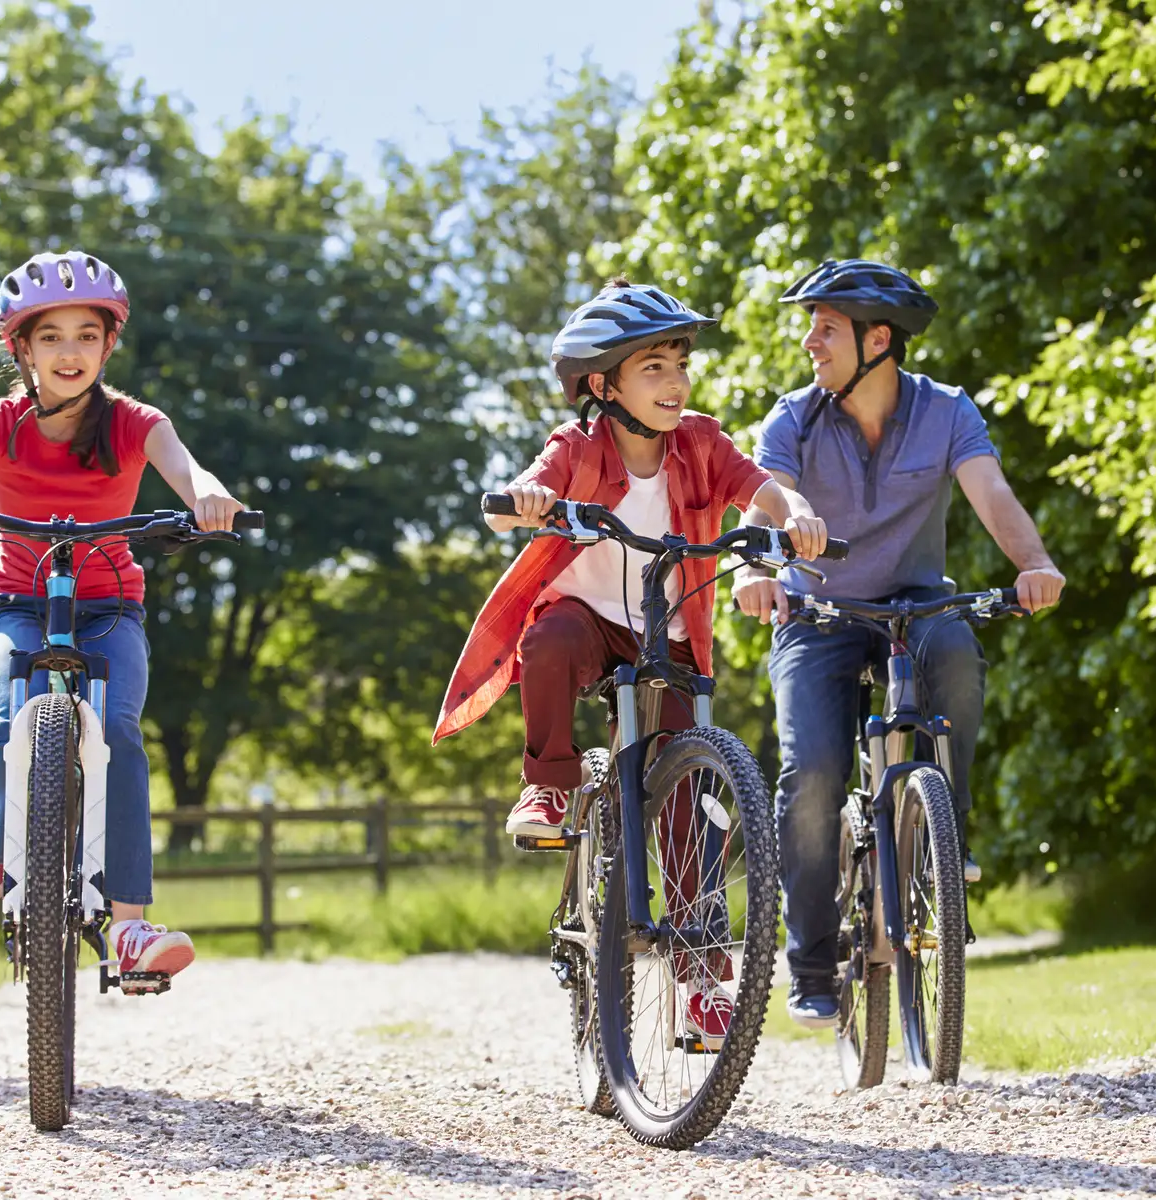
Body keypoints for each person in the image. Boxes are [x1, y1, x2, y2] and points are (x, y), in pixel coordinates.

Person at [434, 278, 827, 1040]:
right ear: (601, 383)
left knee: (693, 802)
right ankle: (547, 787)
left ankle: (702, 981)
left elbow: (759, 488)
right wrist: (527, 499)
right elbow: (537, 479)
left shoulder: (702, 442)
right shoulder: (577, 446)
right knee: (545, 643)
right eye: (654, 367)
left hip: (666, 629)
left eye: (680, 363)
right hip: (587, 619)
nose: (676, 381)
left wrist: (796, 515)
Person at [0, 250, 245, 982]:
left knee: (122, 734)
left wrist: (210, 497)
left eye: (85, 335)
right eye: (50, 337)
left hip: (111, 607)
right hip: (19, 602)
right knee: (16, 711)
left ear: (109, 345)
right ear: (22, 349)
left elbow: (188, 468)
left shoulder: (137, 422)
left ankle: (131, 928)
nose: (69, 351)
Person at [732, 259, 1065, 1028]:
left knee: (955, 651)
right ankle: (812, 961)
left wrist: (1035, 566)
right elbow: (768, 499)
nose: (809, 341)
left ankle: (943, 841)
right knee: (812, 773)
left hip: (915, 604)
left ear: (878, 339)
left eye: (826, 327)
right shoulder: (792, 417)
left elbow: (992, 493)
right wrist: (756, 568)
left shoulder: (947, 411)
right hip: (817, 611)